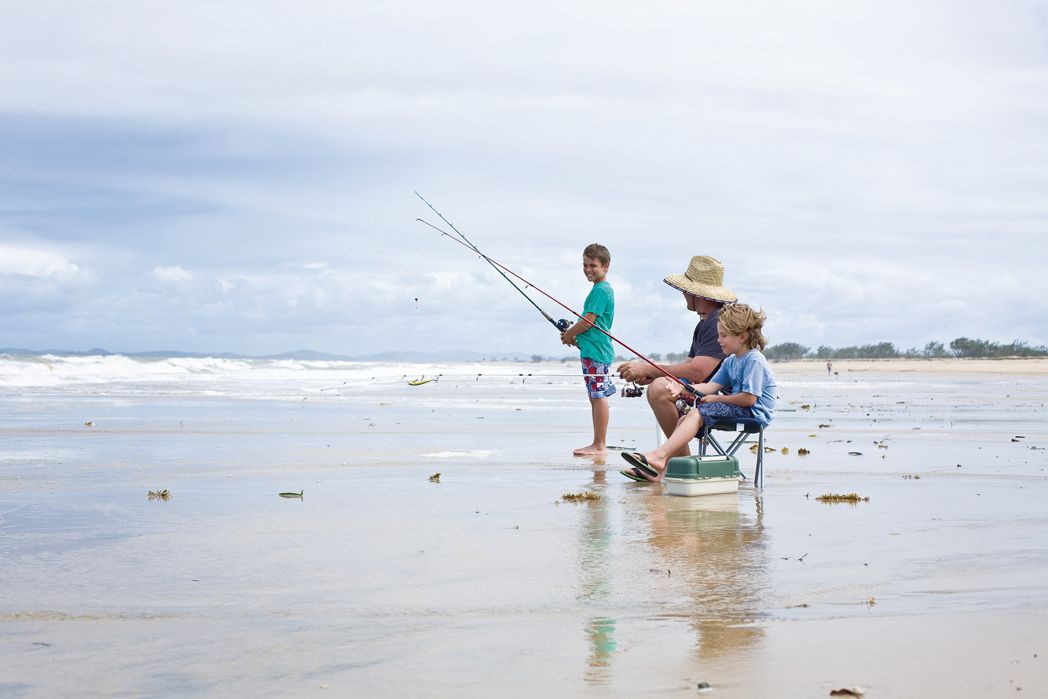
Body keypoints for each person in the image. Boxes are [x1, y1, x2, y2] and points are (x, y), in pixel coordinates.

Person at [620, 303, 776, 482]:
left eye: (724, 335)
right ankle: (667, 466)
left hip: (754, 414)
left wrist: (717, 401)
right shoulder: (730, 361)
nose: (719, 340)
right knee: (684, 418)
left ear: (743, 336)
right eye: (718, 335)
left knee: (697, 413)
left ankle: (660, 456)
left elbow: (749, 399)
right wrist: (683, 388)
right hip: (737, 406)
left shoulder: (754, 360)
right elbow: (710, 386)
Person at [617, 255, 736, 458]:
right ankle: (675, 461)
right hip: (707, 391)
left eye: (684, 290)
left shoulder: (717, 320)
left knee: (659, 390)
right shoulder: (705, 323)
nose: (682, 294)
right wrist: (653, 373)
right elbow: (688, 365)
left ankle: (677, 461)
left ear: (695, 293)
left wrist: (648, 369)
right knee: (659, 384)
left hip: (726, 398)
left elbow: (698, 371)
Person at [561, 243, 616, 456]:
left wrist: (570, 334)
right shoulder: (598, 289)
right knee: (594, 395)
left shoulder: (602, 290)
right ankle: (598, 442)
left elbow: (588, 321)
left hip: (597, 351)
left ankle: (599, 444)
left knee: (598, 394)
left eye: (593, 265)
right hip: (591, 349)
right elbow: (588, 326)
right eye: (585, 265)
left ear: (606, 266)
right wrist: (574, 338)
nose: (588, 269)